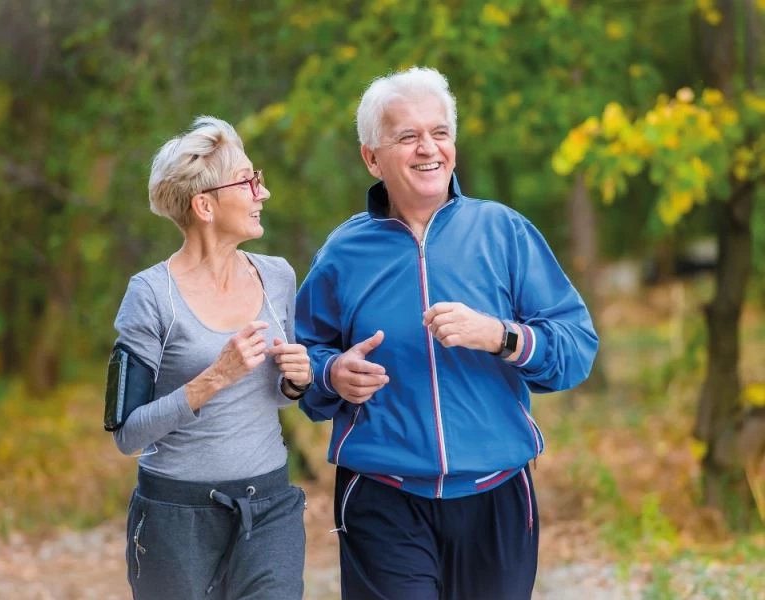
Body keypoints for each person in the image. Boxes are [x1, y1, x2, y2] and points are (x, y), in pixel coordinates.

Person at [295, 67, 599, 599]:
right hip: (383, 497)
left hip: (497, 493)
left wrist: (502, 337)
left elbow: (576, 348)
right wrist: (331, 373)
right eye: (407, 136)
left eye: (439, 133)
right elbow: (303, 359)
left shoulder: (503, 232)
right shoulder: (343, 253)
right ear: (372, 157)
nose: (427, 149)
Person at [104, 116, 310, 599]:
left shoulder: (277, 277)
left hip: (270, 506)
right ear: (204, 204)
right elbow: (128, 435)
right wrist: (213, 378)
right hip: (176, 517)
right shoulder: (151, 294)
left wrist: (296, 381)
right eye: (249, 180)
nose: (264, 193)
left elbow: (279, 397)